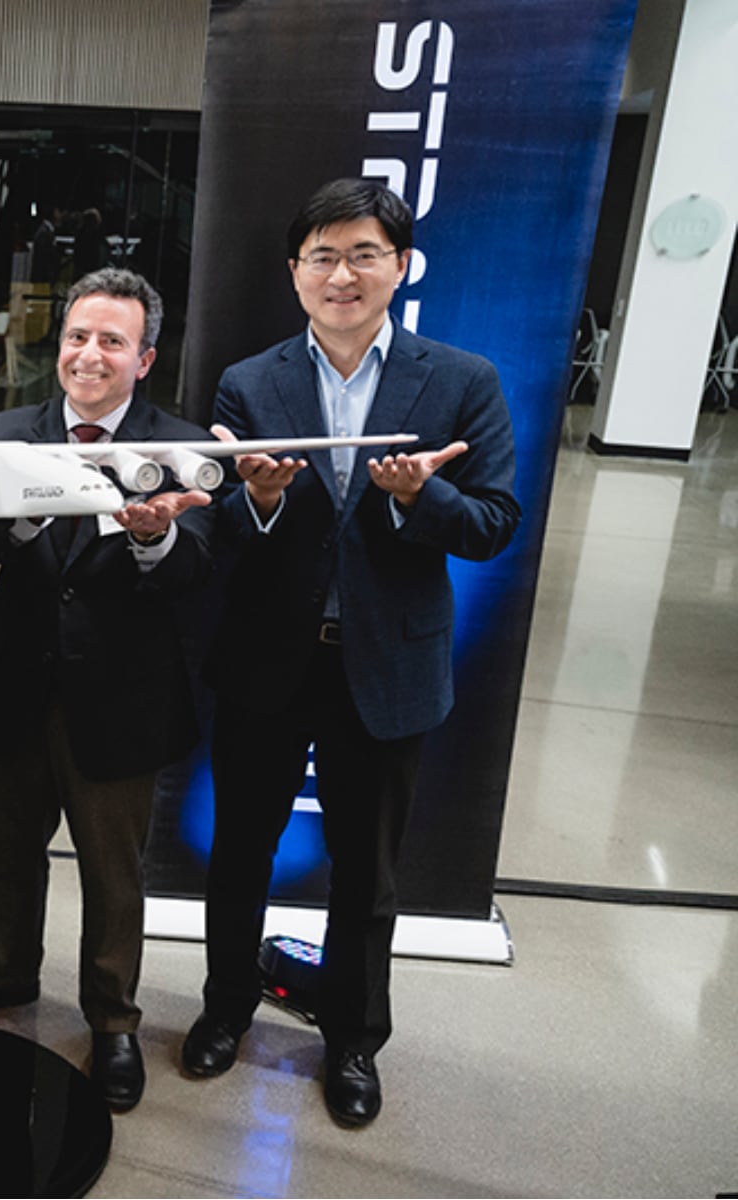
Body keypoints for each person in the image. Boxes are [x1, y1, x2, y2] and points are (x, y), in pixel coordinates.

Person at [182, 178, 519, 1127]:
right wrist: (258, 495)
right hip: (268, 663)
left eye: (364, 253)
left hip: (388, 666)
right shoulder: (251, 382)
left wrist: (420, 497)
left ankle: (353, 1039)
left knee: (367, 875)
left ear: (401, 267)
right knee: (240, 853)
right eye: (322, 256)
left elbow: (494, 525)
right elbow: (223, 534)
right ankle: (224, 1008)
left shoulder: (460, 381)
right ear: (295, 275)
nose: (343, 274)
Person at [0, 267, 214, 1112]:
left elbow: (200, 573)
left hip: (120, 696)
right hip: (16, 681)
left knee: (112, 872)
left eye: (111, 341)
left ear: (144, 358)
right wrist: (28, 507)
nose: (88, 355)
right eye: (76, 336)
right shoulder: (10, 426)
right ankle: (8, 971)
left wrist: (151, 543)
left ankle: (112, 1021)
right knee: (10, 849)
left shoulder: (182, 444)